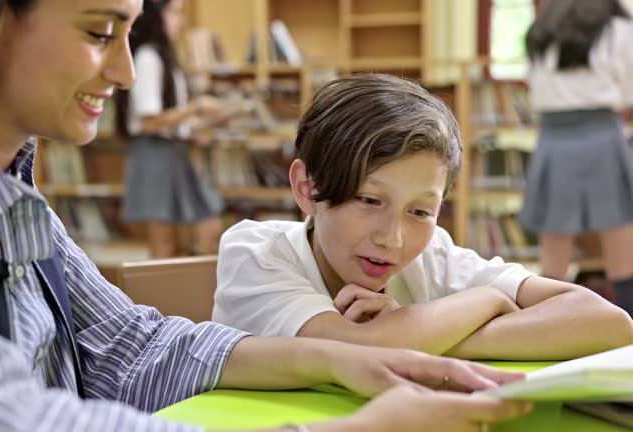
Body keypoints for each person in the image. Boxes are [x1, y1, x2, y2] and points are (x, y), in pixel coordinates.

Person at [0, 1, 534, 431]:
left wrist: (330, 359)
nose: (124, 72)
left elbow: (131, 345)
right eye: (100, 32)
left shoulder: (9, 192)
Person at [213, 73, 633, 360]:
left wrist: (422, 333)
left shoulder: (431, 254)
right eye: (369, 200)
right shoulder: (253, 251)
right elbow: (354, 348)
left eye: (420, 211)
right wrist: (487, 302)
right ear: (306, 187)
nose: (393, 238)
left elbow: (609, 322)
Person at [520, 0, 633, 317]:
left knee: (554, 253)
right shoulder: (619, 26)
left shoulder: (540, 29)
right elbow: (628, 92)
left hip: (554, 138)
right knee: (622, 245)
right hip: (603, 133)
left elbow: (534, 87)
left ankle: (546, 328)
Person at [115, 0, 224, 258]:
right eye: (174, 13)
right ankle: (163, 297)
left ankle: (187, 286)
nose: (180, 21)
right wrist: (196, 108)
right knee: (163, 241)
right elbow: (149, 121)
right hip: (154, 153)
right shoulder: (149, 58)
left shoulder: (167, 57)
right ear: (156, 16)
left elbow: (168, 118)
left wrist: (196, 128)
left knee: (207, 227)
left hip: (174, 152)